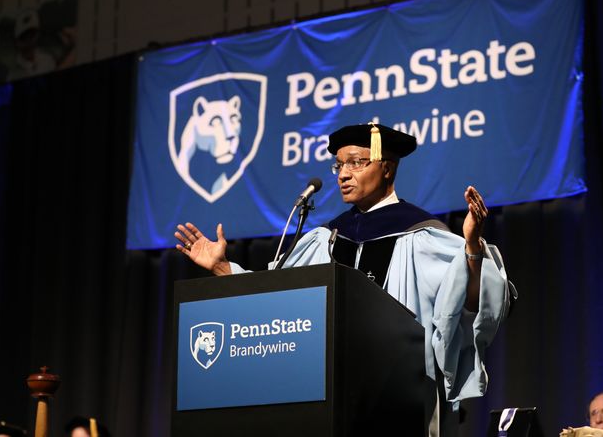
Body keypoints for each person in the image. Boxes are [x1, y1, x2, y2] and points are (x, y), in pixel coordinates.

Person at [175, 123, 516, 435]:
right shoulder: (325, 239)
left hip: (402, 392)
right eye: (339, 165)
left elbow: (472, 303)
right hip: (329, 394)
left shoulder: (422, 236)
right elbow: (278, 301)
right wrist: (222, 268)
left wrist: (471, 246)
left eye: (356, 162)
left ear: (387, 167)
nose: (343, 174)